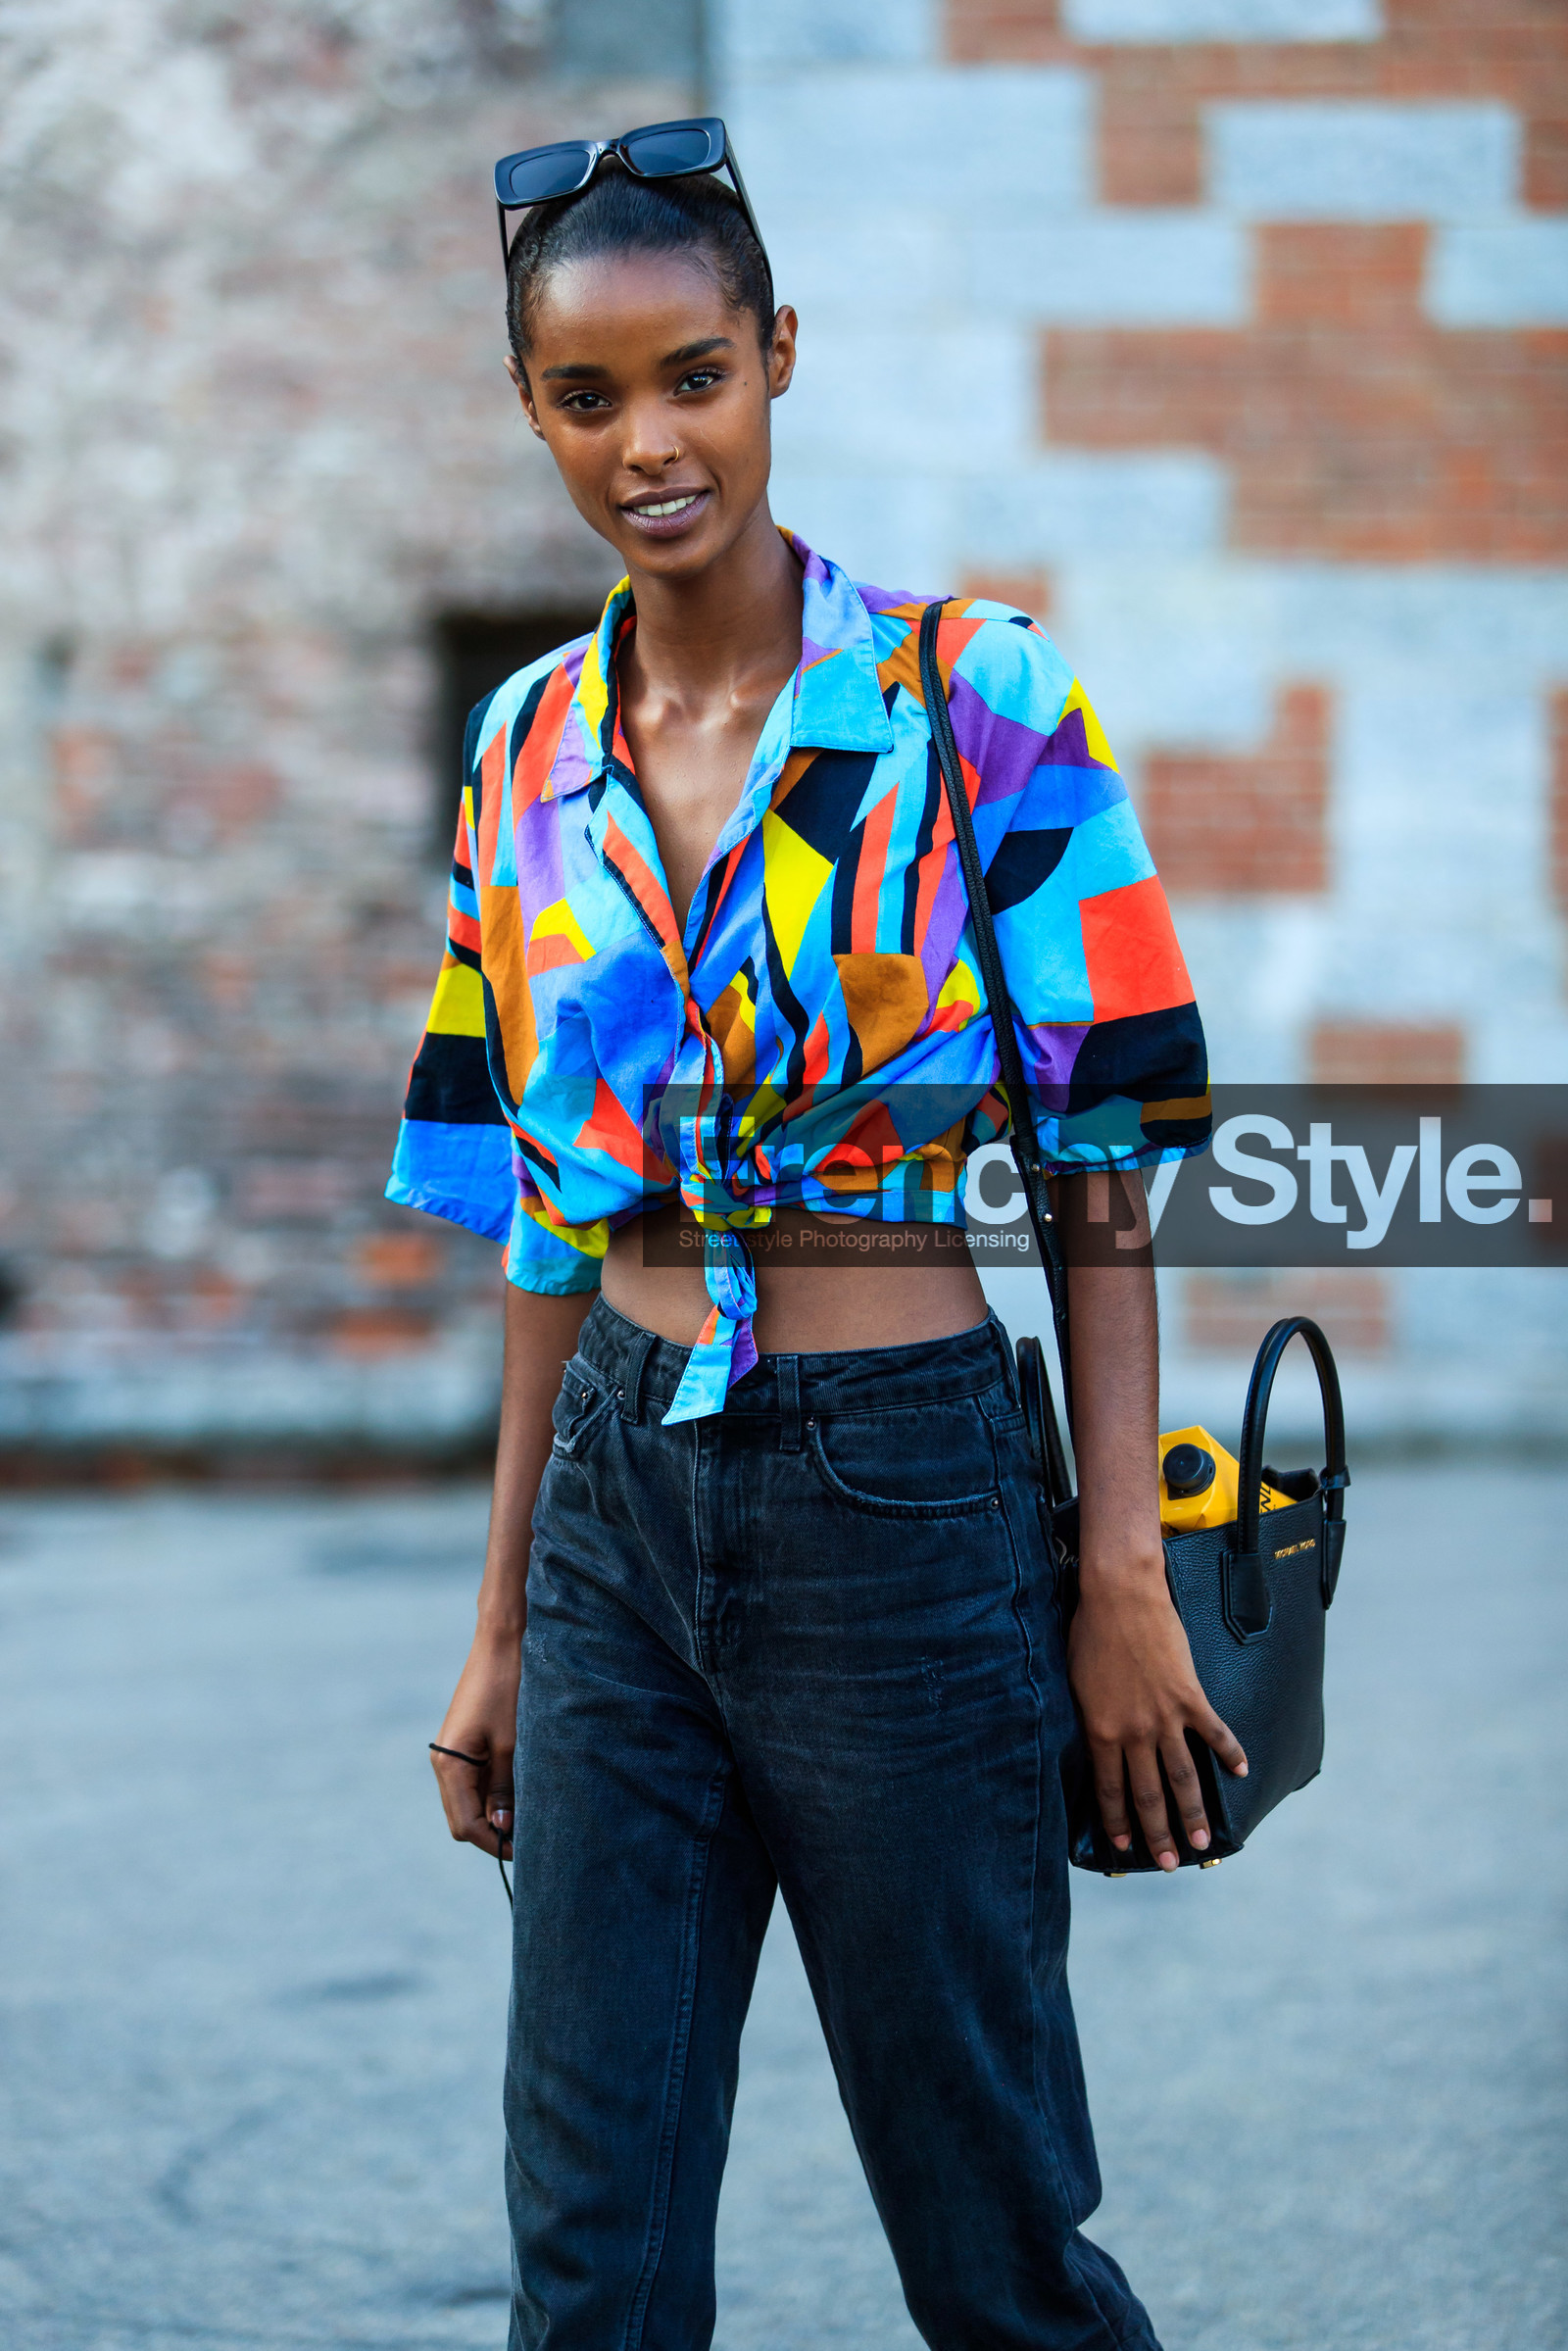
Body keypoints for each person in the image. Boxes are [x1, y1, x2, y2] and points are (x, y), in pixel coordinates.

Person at [388, 122, 1242, 2351]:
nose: (647, 444)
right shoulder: (522, 753)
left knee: (991, 2243)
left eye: (690, 377)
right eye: (587, 398)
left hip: (908, 1493)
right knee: (589, 2253)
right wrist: (497, 1622)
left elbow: (1104, 1155)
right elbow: (539, 1227)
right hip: (613, 1530)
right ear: (532, 410)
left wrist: (1121, 1574)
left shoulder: (981, 705)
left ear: (776, 357)